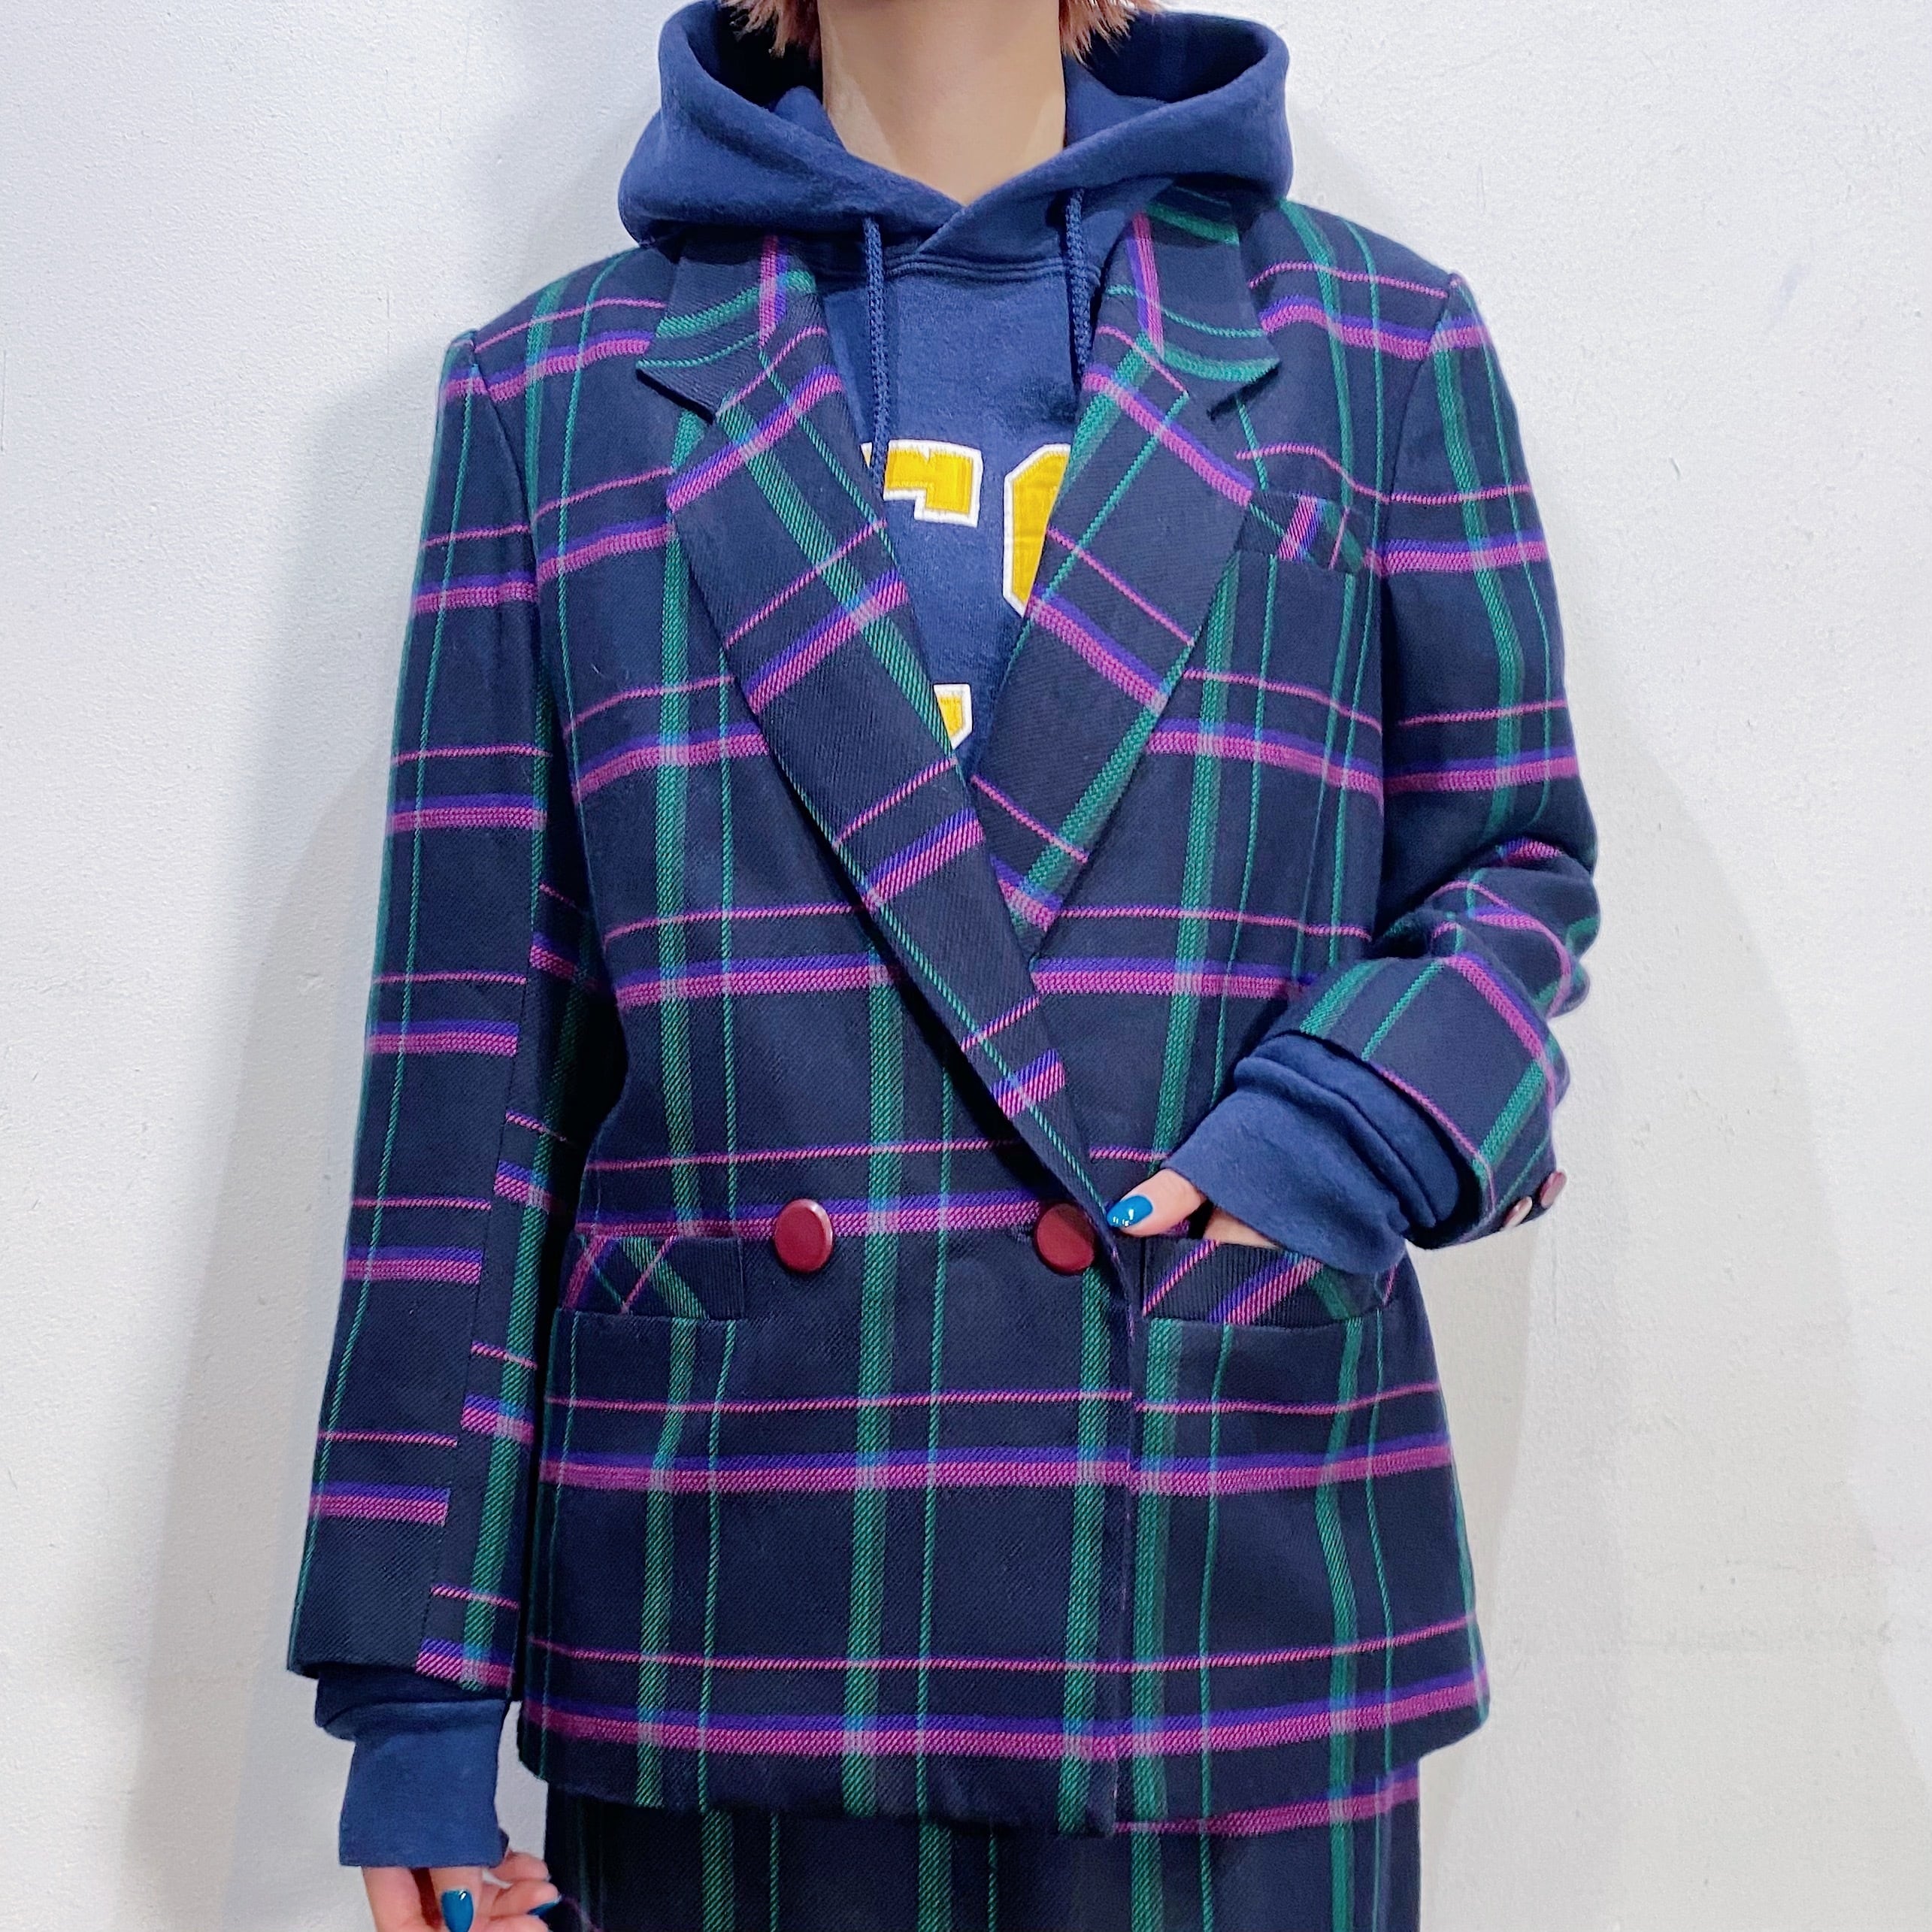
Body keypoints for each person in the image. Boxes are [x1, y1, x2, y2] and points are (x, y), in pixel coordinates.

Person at [286, 0, 1602, 1924]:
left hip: (1217, 1555)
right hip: (740, 1600)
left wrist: (1333, 1133)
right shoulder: (557, 392)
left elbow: (1510, 860)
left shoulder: (1371, 344)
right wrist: (413, 1696)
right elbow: (469, 1074)